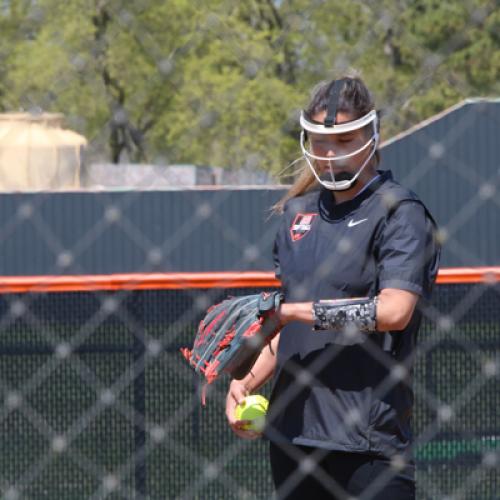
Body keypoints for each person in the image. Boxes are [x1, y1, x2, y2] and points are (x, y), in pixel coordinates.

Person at [225, 76, 440, 499]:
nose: (329, 151)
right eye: (321, 140)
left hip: (367, 443)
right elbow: (289, 326)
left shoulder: (400, 212)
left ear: (371, 135)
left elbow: (394, 311)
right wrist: (247, 381)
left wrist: (292, 312)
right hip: (294, 436)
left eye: (344, 138)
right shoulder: (296, 215)